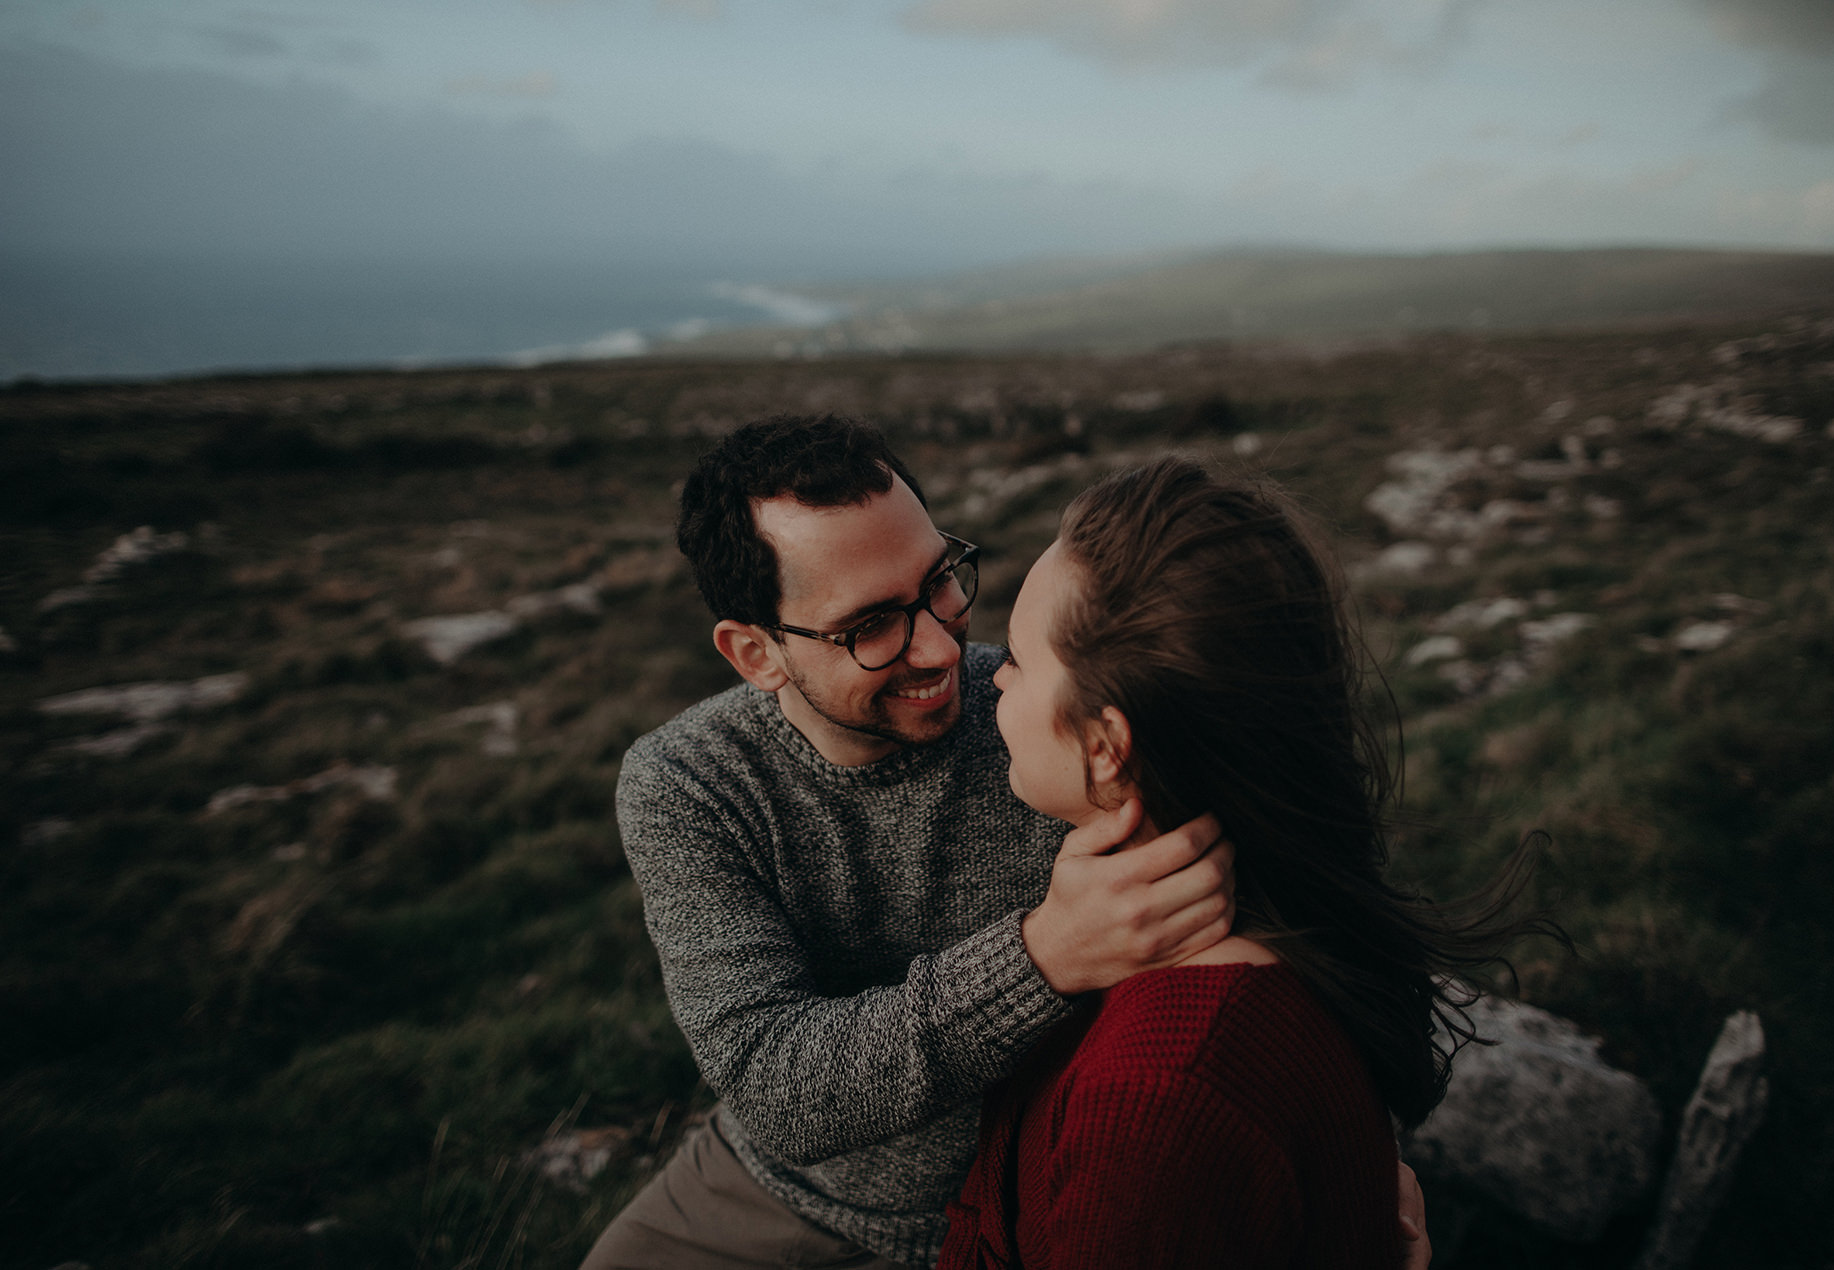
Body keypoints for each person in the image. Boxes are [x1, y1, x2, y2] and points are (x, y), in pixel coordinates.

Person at [580, 417, 1431, 1269]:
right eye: (872, 624)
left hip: (1030, 1194)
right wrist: (1044, 957)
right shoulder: (687, 783)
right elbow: (775, 1088)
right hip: (783, 1187)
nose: (942, 645)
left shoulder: (1050, 721)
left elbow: (1286, 905)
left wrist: (1356, 1160)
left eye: (940, 579)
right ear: (756, 653)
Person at [941, 457, 1535, 1268]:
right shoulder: (1282, 918)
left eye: (1016, 657)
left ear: (1107, 747)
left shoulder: (1159, 1102)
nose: (993, 679)